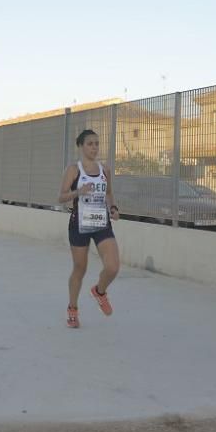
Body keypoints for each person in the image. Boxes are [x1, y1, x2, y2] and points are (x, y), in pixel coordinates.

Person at [58, 129, 121, 329]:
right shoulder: (73, 170)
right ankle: (72, 309)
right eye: (90, 144)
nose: (94, 147)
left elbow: (109, 192)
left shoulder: (105, 170)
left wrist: (113, 208)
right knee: (80, 268)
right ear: (81, 146)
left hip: (101, 222)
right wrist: (78, 191)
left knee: (112, 267)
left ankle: (99, 291)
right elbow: (61, 197)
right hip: (80, 223)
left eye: (97, 143)